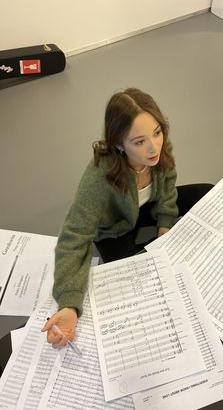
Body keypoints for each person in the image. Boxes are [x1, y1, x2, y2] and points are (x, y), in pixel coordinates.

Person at [42, 87, 213, 347]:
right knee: (133, 276)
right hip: (115, 228)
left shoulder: (158, 149)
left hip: (147, 207)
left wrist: (165, 226)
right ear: (120, 145)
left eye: (157, 132)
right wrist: (68, 303)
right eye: (139, 141)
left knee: (207, 193)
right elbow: (72, 238)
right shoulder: (99, 176)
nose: (153, 146)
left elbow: (167, 187)